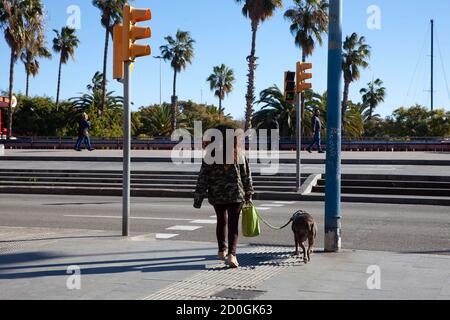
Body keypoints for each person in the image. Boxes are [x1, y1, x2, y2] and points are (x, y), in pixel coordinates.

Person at [193, 125, 254, 268]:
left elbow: (203, 178)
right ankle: (232, 255)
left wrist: (198, 198)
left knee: (221, 221)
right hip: (236, 195)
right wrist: (249, 193)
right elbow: (246, 176)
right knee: (233, 224)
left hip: (216, 195)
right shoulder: (238, 154)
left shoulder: (209, 156)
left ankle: (221, 251)